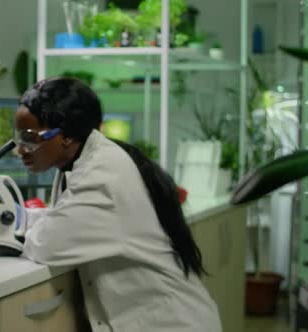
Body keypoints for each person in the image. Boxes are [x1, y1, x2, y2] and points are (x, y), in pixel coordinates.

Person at [16, 77, 222, 331]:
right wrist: (22, 219)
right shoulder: (84, 162)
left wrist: (15, 225)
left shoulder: (101, 177)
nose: (21, 149)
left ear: (66, 136)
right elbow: (65, 219)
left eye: (29, 138)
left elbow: (47, 245)